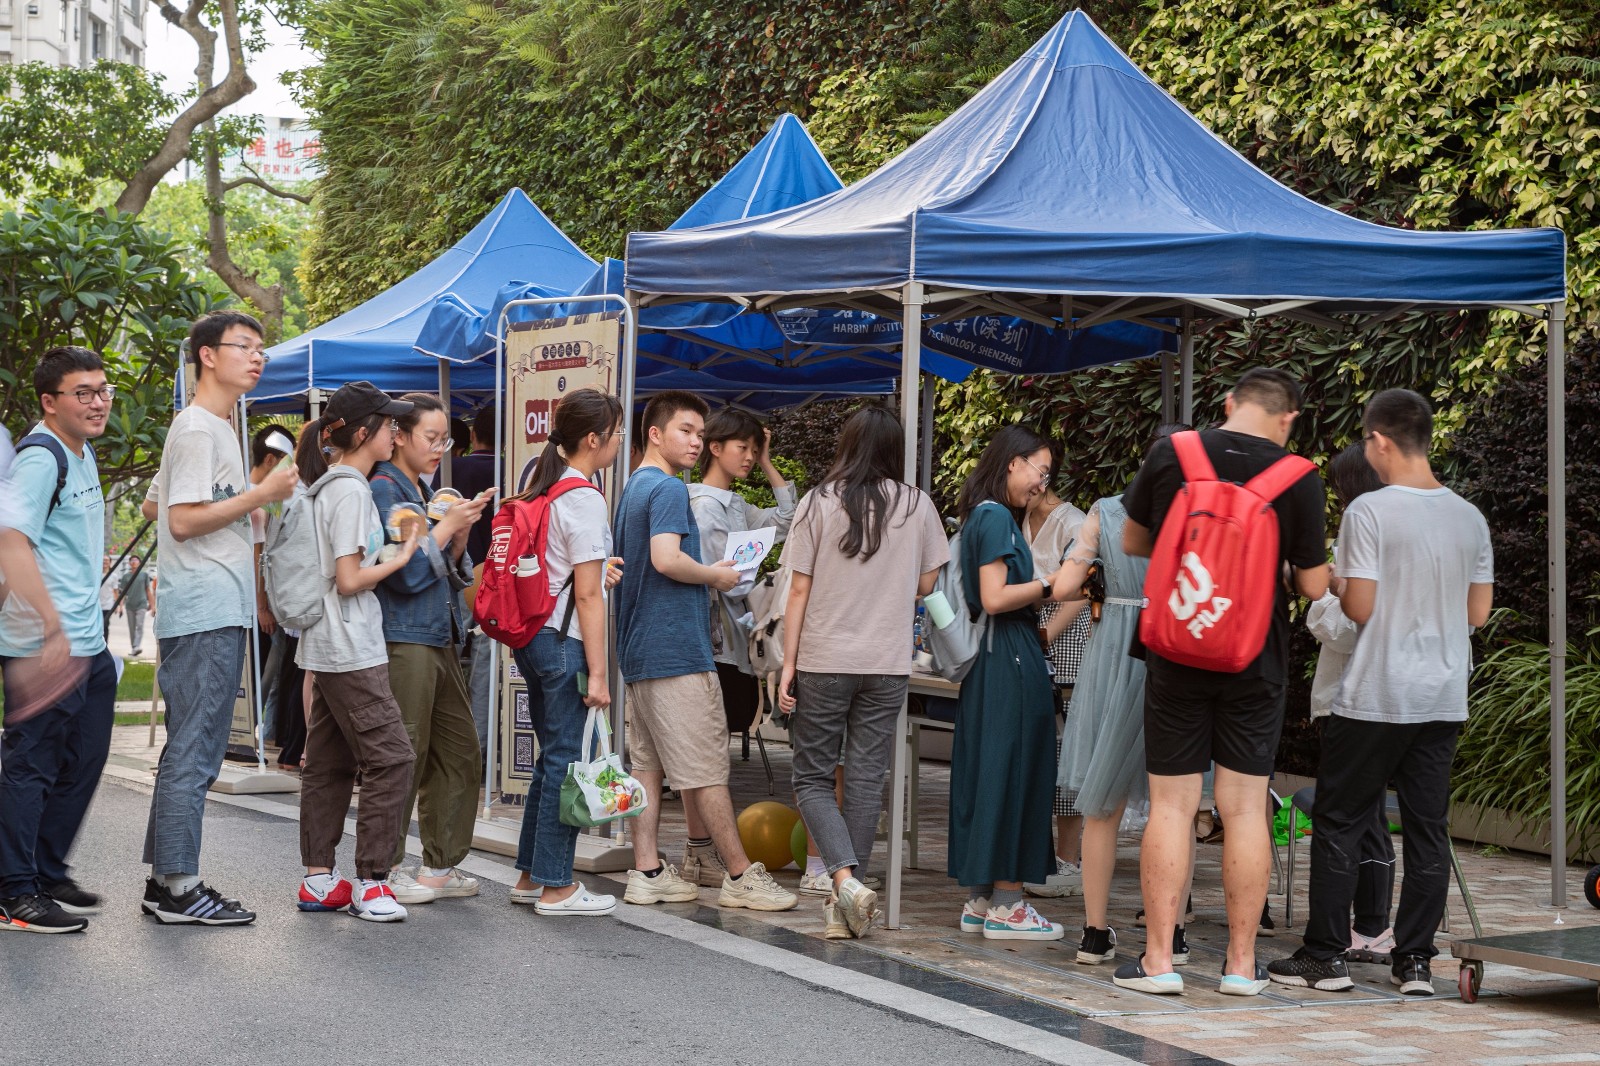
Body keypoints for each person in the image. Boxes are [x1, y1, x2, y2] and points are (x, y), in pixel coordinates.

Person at [1270, 390, 1493, 996]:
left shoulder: (1368, 513)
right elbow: (1477, 612)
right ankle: (1415, 962)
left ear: (1381, 441)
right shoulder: (1468, 516)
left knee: (1341, 822)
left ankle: (1326, 957)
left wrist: (1337, 581)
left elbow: (1361, 606)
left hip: (1375, 693)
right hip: (1443, 694)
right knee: (1427, 827)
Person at [1120, 368, 1328, 996]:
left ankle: (1159, 962)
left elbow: (1133, 541)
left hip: (1177, 650)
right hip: (1254, 661)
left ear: (1229, 404)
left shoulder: (1172, 453)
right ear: (1288, 418)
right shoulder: (1299, 477)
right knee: (1242, 810)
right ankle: (1240, 965)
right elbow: (1315, 587)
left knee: (1173, 806)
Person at [614, 390, 797, 912]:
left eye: (699, 433)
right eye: (686, 431)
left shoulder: (634, 488)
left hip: (641, 649)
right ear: (655, 433)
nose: (696, 442)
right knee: (706, 766)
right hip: (676, 648)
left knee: (647, 766)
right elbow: (667, 559)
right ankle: (740, 873)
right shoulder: (671, 490)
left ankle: (647, 868)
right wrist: (717, 575)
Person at [142, 311, 297, 926]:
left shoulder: (216, 427)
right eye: (245, 346)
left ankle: (166, 882)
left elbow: (159, 504)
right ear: (208, 355)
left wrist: (241, 511)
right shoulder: (201, 428)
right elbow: (180, 520)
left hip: (205, 602)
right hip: (205, 607)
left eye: (262, 349)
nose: (258, 357)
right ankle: (179, 888)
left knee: (189, 747)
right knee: (196, 751)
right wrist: (257, 498)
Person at [776, 407, 947, 937]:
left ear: (846, 444)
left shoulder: (818, 502)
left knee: (811, 777)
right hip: (887, 663)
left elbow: (798, 589)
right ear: (895, 449)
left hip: (825, 658)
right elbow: (926, 585)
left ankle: (844, 881)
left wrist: (788, 663)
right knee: (868, 779)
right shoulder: (918, 504)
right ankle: (845, 907)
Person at [292, 381, 422, 923]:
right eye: (390, 423)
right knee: (393, 758)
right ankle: (372, 882)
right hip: (349, 644)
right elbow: (348, 579)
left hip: (327, 643)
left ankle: (320, 879)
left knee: (328, 761)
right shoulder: (350, 491)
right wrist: (403, 554)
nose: (397, 431)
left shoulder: (327, 486)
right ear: (364, 432)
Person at [0, 346, 118, 933]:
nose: (98, 402)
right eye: (83, 393)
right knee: (33, 765)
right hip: (43, 640)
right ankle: (14, 891)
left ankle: (45, 870)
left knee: (84, 758)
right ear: (51, 403)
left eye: (103, 390)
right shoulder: (41, 459)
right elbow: (10, 541)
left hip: (87, 639)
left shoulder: (83, 451)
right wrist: (48, 624)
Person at [505, 388, 625, 916]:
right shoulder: (584, 496)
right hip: (563, 643)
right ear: (594, 439)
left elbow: (576, 577)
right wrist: (599, 674)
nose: (620, 441)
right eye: (618, 433)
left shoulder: (543, 487)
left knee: (550, 757)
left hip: (533, 638)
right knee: (563, 760)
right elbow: (587, 595)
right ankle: (556, 886)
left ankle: (532, 875)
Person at [369, 392, 490, 905]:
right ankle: (388, 865)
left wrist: (457, 538)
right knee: (406, 753)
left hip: (437, 635)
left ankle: (439, 865)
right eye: (431, 437)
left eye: (446, 438)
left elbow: (441, 568)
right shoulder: (387, 489)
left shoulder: (417, 490)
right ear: (398, 435)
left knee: (460, 751)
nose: (441, 447)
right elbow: (408, 571)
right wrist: (446, 529)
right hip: (405, 638)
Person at [949, 425, 1064, 941]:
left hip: (993, 659)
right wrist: (1050, 584)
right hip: (1009, 658)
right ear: (1013, 463)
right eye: (1040, 471)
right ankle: (1010, 903)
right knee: (1015, 775)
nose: (1042, 483)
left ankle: (982, 899)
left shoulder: (981, 514)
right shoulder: (996, 515)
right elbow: (994, 597)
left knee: (989, 772)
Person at [685, 408, 797, 886]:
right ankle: (701, 851)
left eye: (754, 449)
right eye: (742, 448)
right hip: (713, 641)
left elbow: (790, 518)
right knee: (705, 754)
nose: (749, 457)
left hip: (732, 640)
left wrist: (770, 462)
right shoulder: (705, 504)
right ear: (715, 448)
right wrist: (751, 602)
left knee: (709, 752)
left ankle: (699, 850)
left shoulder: (733, 504)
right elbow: (724, 578)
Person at [1303, 443, 1397, 966]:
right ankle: (1369, 927)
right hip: (1384, 696)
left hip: (1353, 697)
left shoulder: (1362, 537)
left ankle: (1371, 928)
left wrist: (1323, 597)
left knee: (1359, 817)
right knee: (1366, 815)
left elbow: (1339, 627)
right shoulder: (1402, 533)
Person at [1020, 455, 1090, 900]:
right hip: (1024, 627)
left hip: (1061, 635)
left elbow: (1081, 590)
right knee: (1035, 748)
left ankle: (1069, 859)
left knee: (1068, 751)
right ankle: (1036, 854)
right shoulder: (1013, 515)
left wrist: (1046, 633)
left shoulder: (1073, 521)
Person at [451, 405, 500, 764]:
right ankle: (478, 751)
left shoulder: (450, 470)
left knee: (446, 663)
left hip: (455, 577)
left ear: (471, 436)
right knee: (485, 664)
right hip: (495, 580)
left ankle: (446, 747)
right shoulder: (509, 472)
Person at [117, 556, 153, 658]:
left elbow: (148, 590)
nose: (133, 562)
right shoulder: (126, 577)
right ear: (129, 563)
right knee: (132, 627)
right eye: (131, 560)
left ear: (140, 562)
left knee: (139, 625)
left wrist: (152, 605)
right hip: (129, 605)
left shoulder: (144, 575)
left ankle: (136, 646)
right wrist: (120, 607)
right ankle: (134, 647)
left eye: (136, 560)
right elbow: (122, 594)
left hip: (141, 604)